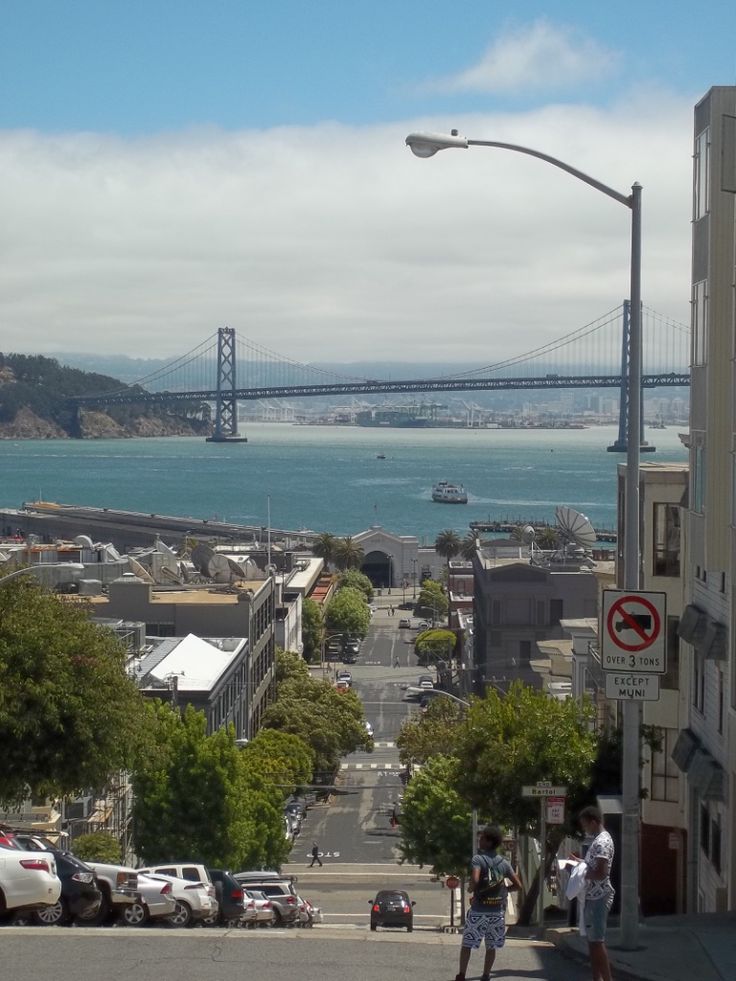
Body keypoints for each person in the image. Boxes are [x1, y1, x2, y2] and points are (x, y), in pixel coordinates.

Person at [456, 825, 522, 981]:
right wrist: (506, 890)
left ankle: (461, 975)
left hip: (479, 909)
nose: (480, 840)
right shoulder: (504, 862)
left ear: (489, 842)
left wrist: (472, 888)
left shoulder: (478, 859)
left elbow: (476, 879)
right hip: (497, 912)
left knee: (467, 944)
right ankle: (486, 975)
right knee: (491, 946)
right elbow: (518, 885)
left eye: (483, 838)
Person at [574, 805, 615, 981]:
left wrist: (581, 873)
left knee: (597, 942)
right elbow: (593, 865)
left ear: (593, 822)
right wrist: (579, 863)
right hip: (592, 896)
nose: (585, 829)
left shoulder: (602, 842)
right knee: (592, 942)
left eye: (585, 825)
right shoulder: (597, 840)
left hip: (599, 897)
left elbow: (601, 872)